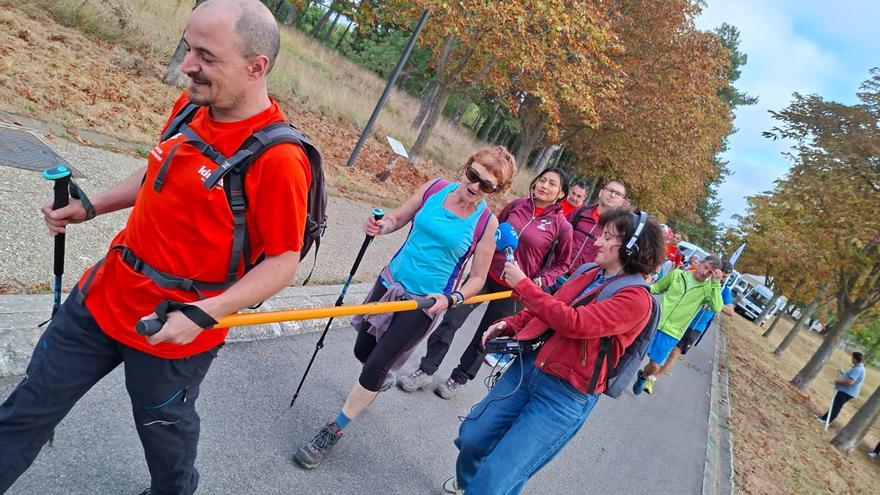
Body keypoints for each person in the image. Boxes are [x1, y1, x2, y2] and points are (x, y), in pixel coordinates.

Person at [0, 2, 309, 493]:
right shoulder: (192, 106)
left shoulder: (280, 160)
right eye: (188, 48)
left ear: (256, 67)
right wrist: (91, 206)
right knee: (25, 410)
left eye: (206, 56)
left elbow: (283, 261)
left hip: (173, 330)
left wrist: (205, 314)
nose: (188, 66)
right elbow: (158, 169)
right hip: (103, 296)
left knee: (165, 436)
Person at [293, 147, 515, 469]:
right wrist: (380, 226)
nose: (474, 186)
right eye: (473, 175)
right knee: (363, 349)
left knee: (376, 364)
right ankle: (376, 378)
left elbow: (478, 278)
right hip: (390, 282)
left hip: (424, 303)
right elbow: (397, 217)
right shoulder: (435, 188)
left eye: (486, 185)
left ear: (496, 191)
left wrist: (451, 299)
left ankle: (334, 428)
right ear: (466, 167)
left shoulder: (486, 223)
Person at [442, 208, 665, 495]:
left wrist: (523, 285)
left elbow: (575, 323)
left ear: (632, 248)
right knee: (472, 437)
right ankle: (467, 482)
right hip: (528, 369)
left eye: (608, 237)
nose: (597, 241)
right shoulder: (589, 272)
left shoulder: (636, 299)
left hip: (563, 397)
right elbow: (553, 306)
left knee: (499, 475)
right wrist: (510, 323)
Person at [396, 168, 573, 399]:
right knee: (451, 319)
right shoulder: (517, 205)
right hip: (485, 275)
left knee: (487, 335)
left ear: (561, 194)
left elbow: (563, 264)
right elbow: (491, 232)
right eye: (542, 180)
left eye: (552, 184)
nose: (544, 186)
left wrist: (538, 281)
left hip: (514, 290)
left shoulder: (562, 227)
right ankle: (427, 368)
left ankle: (459, 378)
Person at [632, 256, 725, 395]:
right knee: (632, 353)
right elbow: (657, 288)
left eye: (710, 272)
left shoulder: (708, 289)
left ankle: (643, 377)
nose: (705, 272)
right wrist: (640, 287)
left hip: (672, 332)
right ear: (700, 263)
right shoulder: (677, 275)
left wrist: (716, 283)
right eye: (705, 267)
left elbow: (717, 307)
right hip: (653, 322)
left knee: (654, 366)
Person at [656, 261, 735, 378]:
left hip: (696, 326)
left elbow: (730, 312)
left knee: (674, 353)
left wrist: (714, 301)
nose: (721, 278)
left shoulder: (723, 290)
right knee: (662, 348)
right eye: (719, 274)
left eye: (724, 277)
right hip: (681, 319)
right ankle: (650, 370)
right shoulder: (703, 280)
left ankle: (654, 377)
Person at [564, 179, 627, 276]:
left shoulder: (618, 230)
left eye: (618, 194)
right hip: (558, 272)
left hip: (583, 280)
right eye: (610, 190)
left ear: (622, 202)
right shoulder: (580, 212)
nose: (612, 195)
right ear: (601, 192)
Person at [816, 352, 866, 425]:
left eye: (852, 358)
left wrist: (838, 381)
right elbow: (850, 376)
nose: (851, 359)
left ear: (855, 359)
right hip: (847, 391)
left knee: (836, 406)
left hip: (846, 392)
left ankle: (826, 420)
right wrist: (843, 372)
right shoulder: (858, 368)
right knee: (835, 405)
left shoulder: (858, 369)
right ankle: (824, 418)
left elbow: (850, 382)